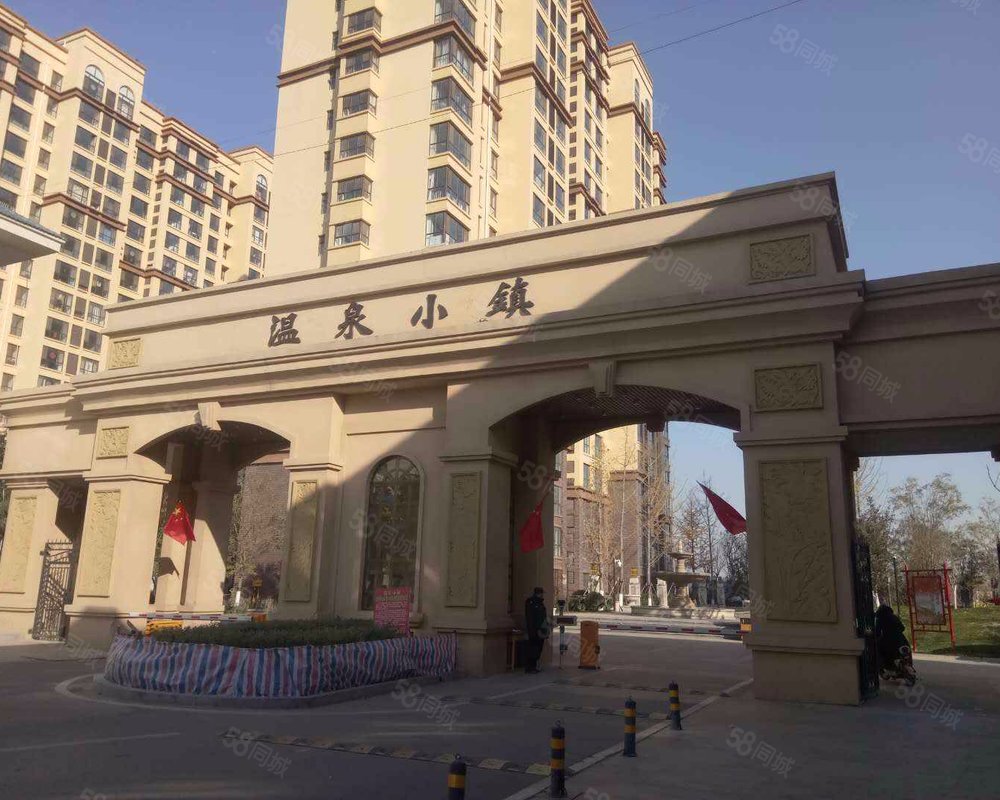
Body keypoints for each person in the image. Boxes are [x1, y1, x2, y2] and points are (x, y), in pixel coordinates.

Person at [875, 603, 910, 672]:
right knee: (904, 651)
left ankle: (887, 666)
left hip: (888, 639)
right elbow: (902, 628)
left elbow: (877, 631)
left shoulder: (880, 618)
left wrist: (877, 636)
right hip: (900, 638)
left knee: (881, 650)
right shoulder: (894, 616)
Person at [524, 586, 550, 673]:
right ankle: (530, 667)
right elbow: (530, 618)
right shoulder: (531, 602)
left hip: (541, 630)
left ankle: (534, 666)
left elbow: (543, 617)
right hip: (534, 630)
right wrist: (532, 631)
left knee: (538, 648)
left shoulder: (540, 603)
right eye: (541, 593)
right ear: (538, 593)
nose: (543, 595)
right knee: (533, 649)